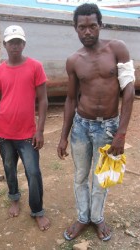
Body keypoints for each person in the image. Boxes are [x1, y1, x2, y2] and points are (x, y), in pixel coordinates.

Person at [57, 3, 135, 241]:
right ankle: (83, 217)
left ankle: (97, 217)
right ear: (75, 29)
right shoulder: (73, 60)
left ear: (100, 25)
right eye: (82, 27)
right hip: (81, 126)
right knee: (81, 175)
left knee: (100, 177)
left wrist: (121, 134)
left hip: (108, 126)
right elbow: (70, 99)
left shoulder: (117, 49)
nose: (87, 31)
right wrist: (63, 136)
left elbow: (129, 91)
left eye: (92, 26)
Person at [0, 25, 50, 231]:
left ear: (23, 44)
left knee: (33, 172)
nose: (15, 46)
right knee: (9, 169)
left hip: (27, 135)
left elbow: (43, 101)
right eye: (11, 42)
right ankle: (14, 197)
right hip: (5, 134)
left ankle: (37, 210)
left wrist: (39, 130)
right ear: (4, 44)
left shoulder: (35, 67)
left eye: (18, 42)